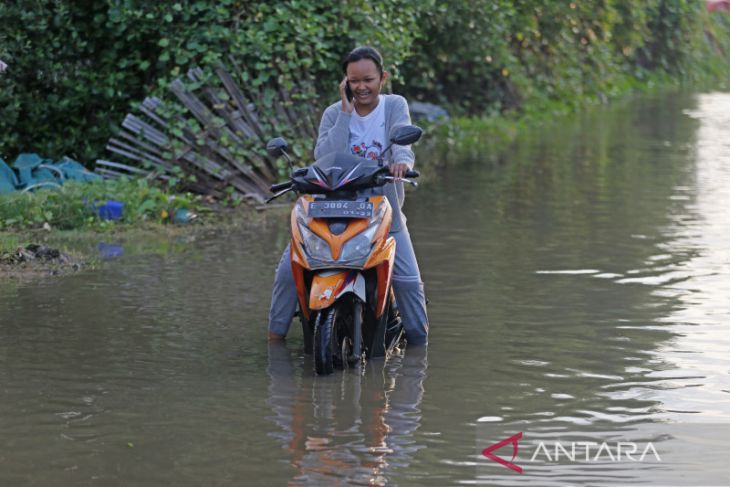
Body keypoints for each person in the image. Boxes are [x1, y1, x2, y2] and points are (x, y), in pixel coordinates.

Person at [267, 46, 428, 346]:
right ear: (345, 82)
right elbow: (324, 156)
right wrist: (345, 112)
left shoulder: (394, 105)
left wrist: (402, 163)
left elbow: (403, 140)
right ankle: (274, 344)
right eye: (354, 81)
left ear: (383, 77)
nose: (361, 87)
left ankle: (419, 354)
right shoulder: (334, 112)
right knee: (289, 273)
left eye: (368, 79)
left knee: (407, 284)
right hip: (332, 208)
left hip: (383, 209)